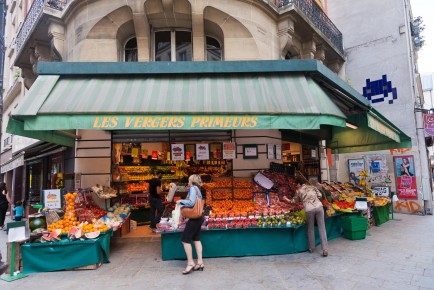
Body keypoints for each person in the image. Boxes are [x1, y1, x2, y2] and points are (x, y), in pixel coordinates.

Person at [283, 176, 328, 257]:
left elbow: (293, 201)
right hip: (319, 207)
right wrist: (313, 199)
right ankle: (325, 249)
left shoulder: (299, 191)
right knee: (322, 228)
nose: (296, 186)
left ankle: (311, 248)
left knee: (310, 228)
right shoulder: (312, 187)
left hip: (309, 209)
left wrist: (286, 199)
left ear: (299, 184)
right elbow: (320, 195)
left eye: (297, 184)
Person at [176, 174, 205, 275]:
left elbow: (192, 203)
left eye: (189, 179)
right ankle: (200, 262)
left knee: (185, 240)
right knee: (196, 239)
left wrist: (181, 201)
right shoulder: (198, 189)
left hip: (194, 218)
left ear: (191, 180)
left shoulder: (193, 188)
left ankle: (190, 262)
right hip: (199, 216)